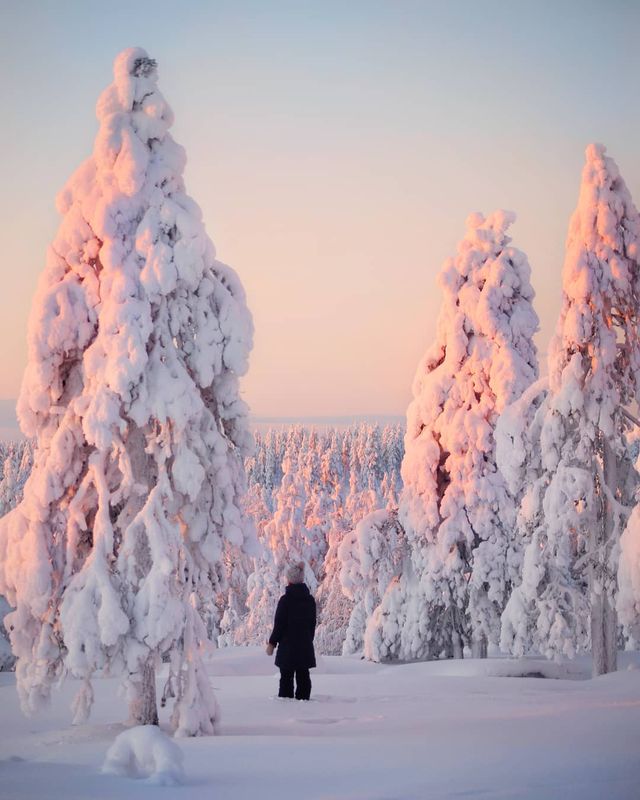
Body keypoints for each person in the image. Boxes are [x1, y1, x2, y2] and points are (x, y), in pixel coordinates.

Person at [266, 562, 316, 700]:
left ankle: (286, 706)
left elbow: (279, 625)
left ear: (289, 580)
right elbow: (312, 624)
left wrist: (272, 643)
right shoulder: (310, 600)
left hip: (287, 647)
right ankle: (304, 702)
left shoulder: (285, 600)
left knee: (286, 678)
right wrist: (308, 639)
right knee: (303, 676)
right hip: (305, 645)